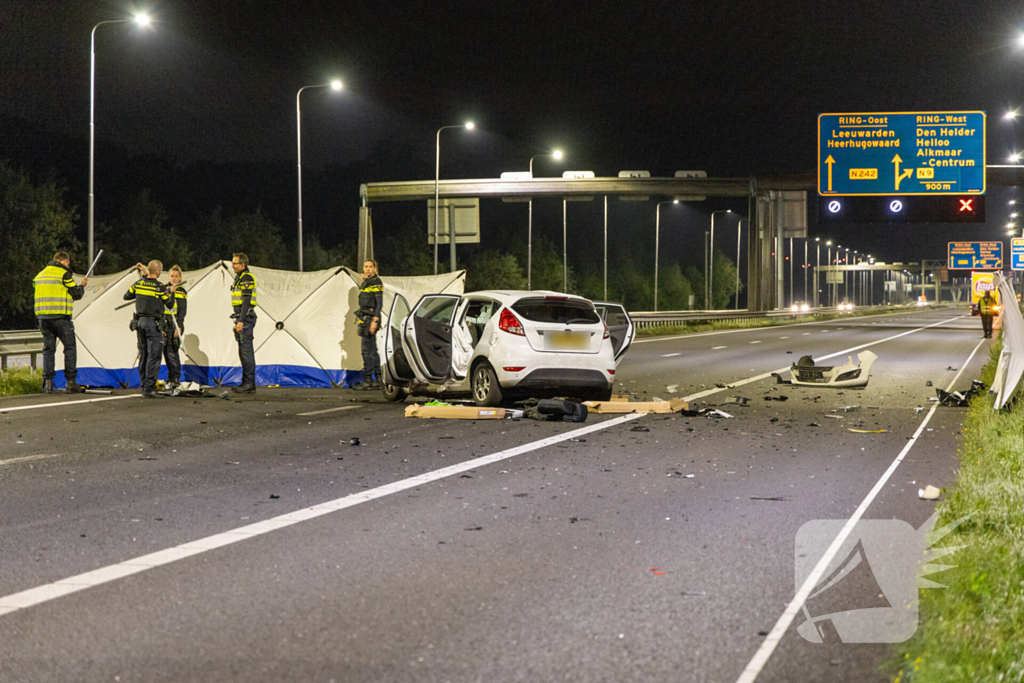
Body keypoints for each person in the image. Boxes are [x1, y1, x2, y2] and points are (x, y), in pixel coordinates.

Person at [33, 251, 88, 394]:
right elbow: (76, 294)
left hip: (43, 318)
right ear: (64, 261)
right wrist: (82, 286)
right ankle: (70, 383)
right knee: (69, 347)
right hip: (61, 318)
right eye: (67, 263)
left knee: (48, 350)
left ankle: (48, 384)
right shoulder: (63, 274)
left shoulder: (40, 275)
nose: (68, 266)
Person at [124, 260, 175, 398]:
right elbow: (169, 304)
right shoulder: (160, 287)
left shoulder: (139, 284)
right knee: (154, 356)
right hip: (153, 324)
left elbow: (126, 296)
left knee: (144, 354)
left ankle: (143, 385)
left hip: (139, 322)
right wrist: (172, 293)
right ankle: (149, 388)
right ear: (158, 272)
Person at [230, 253, 258, 393]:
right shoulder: (240, 277)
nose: (232, 265)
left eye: (235, 263)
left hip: (245, 318)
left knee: (246, 352)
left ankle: (249, 384)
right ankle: (246, 382)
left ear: (243, 265)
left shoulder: (246, 277)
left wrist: (240, 321)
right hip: (241, 317)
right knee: (243, 352)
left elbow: (246, 300)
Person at [354, 259, 383, 391]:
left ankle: (368, 380)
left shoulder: (376, 282)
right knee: (372, 350)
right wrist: (364, 280)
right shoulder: (368, 282)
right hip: (365, 318)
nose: (367, 269)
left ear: (375, 268)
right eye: (365, 266)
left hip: (370, 318)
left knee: (366, 351)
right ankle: (378, 379)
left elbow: (379, 303)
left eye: (370, 267)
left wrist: (375, 320)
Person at [161, 265, 188, 389]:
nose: (174, 278)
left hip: (174, 324)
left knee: (172, 352)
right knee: (165, 352)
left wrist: (180, 326)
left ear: (180, 277)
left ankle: (176, 378)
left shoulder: (180, 291)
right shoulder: (164, 288)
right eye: (172, 276)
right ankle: (170, 377)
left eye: (176, 276)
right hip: (164, 324)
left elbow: (182, 311)